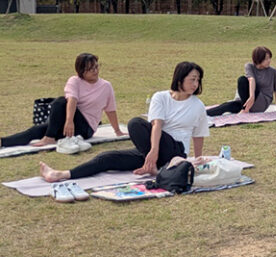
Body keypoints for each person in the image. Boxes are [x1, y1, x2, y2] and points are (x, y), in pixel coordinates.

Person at [40, 61, 209, 183]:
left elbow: (199, 134)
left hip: (176, 151)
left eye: (198, 80)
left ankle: (158, 165)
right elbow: (156, 125)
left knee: (136, 123)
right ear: (180, 79)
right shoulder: (161, 97)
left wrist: (197, 158)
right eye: (192, 79)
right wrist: (152, 153)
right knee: (108, 156)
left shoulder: (198, 105)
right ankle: (62, 174)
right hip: (152, 149)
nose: (196, 84)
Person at [0, 53, 124, 148]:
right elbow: (72, 100)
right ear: (81, 71)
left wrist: (117, 131)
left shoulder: (106, 86)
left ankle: (49, 136)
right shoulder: (74, 81)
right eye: (90, 69)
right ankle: (3, 141)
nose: (95, 71)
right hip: (70, 120)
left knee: (60, 102)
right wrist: (69, 122)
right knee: (38, 130)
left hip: (86, 127)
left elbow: (110, 110)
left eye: (96, 67)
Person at [206, 46, 276, 117]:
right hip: (247, 101)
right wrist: (251, 98)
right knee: (227, 106)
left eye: (269, 58)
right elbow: (251, 79)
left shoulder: (273, 71)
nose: (269, 61)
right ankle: (203, 114)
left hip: (261, 102)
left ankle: (245, 110)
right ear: (259, 59)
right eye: (266, 59)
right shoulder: (249, 66)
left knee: (242, 80)